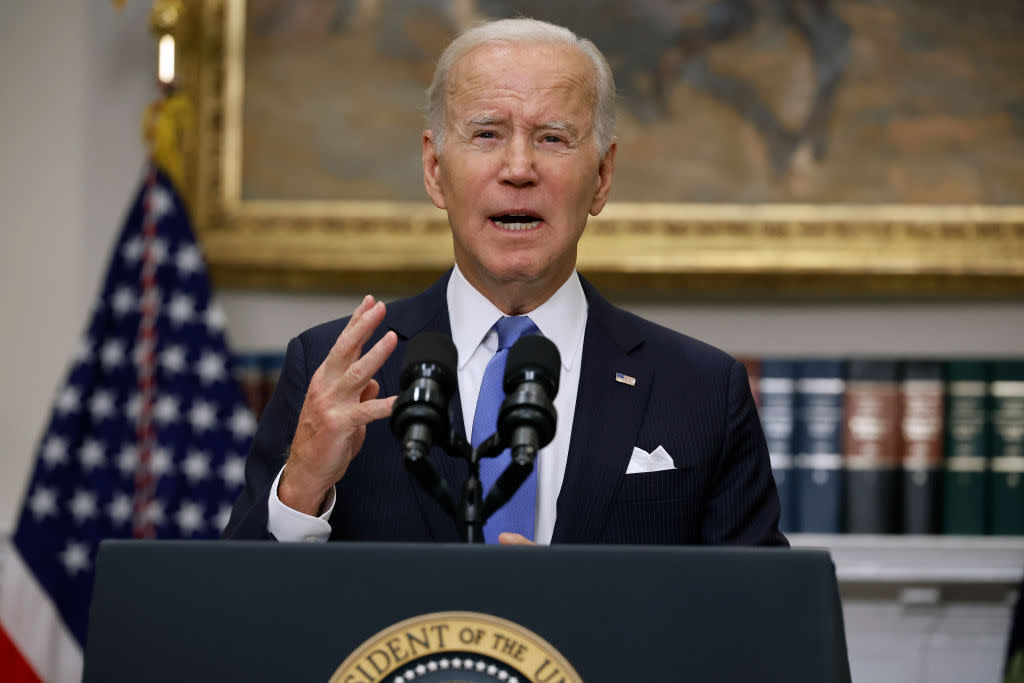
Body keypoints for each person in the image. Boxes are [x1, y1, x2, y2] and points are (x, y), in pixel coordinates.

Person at [223, 17, 786, 547]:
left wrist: (562, 604)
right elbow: (240, 616)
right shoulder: (335, 370)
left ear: (602, 177)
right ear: (435, 170)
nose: (519, 168)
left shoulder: (702, 389)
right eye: (488, 134)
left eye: (552, 139)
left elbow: (757, 621)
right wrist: (300, 488)